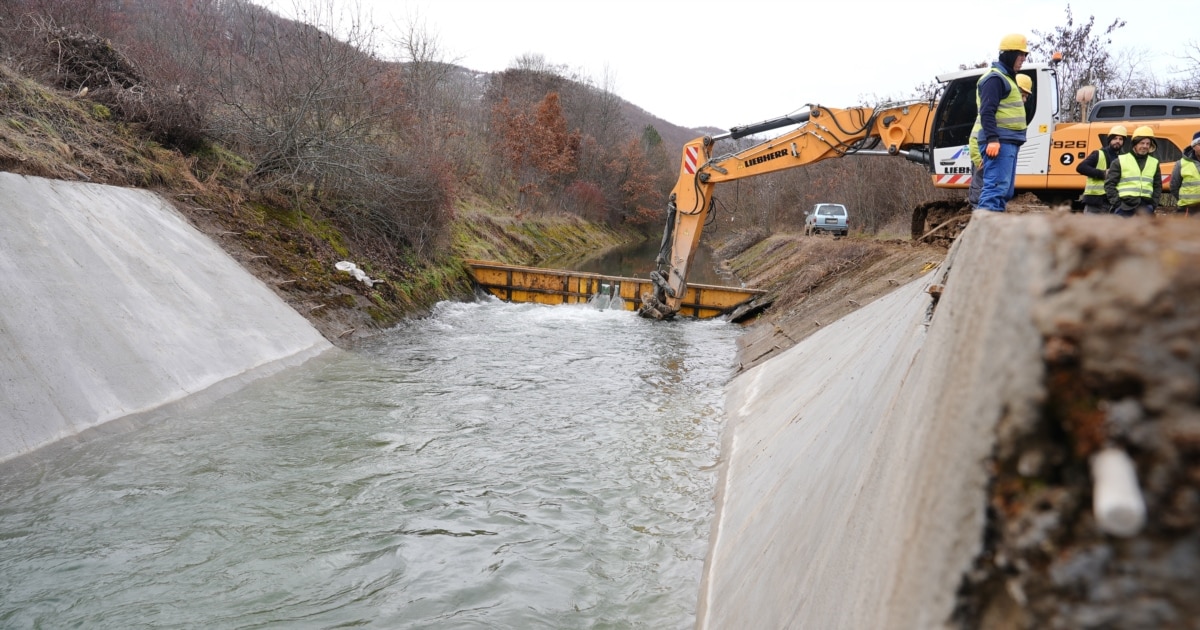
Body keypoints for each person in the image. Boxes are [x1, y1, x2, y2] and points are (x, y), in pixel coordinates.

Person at [974, 33, 1030, 212]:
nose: (1023, 59)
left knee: (1004, 191)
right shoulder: (995, 78)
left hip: (1008, 142)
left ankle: (992, 232)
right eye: (1020, 55)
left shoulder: (1006, 78)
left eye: (1025, 55)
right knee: (995, 189)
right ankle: (984, 235)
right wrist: (992, 139)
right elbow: (987, 111)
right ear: (1009, 54)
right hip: (1000, 142)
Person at [970, 73, 1032, 206]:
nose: (1024, 100)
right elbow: (975, 136)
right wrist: (977, 158)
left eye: (1026, 96)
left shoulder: (1004, 114)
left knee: (996, 191)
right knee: (985, 191)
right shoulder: (992, 116)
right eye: (1023, 95)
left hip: (988, 154)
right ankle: (982, 220)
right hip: (984, 157)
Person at [1105, 125, 1161, 217]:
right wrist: (1118, 204)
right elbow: (1109, 185)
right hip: (1124, 207)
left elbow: (1157, 186)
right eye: (1142, 143)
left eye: (1148, 144)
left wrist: (1153, 205)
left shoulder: (1154, 162)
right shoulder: (1120, 161)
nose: (1145, 146)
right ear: (1135, 144)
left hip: (1146, 208)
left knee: (1146, 232)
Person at [1076, 125, 1127, 214]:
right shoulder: (1098, 154)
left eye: (1121, 139)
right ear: (1110, 140)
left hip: (1112, 201)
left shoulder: (1124, 158)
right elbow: (1081, 167)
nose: (1118, 141)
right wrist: (1102, 173)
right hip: (1095, 201)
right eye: (1115, 138)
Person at [1168, 131, 1200, 216]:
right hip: (1188, 209)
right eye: (1199, 144)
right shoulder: (1181, 164)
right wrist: (1185, 200)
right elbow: (1174, 186)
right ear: (1193, 146)